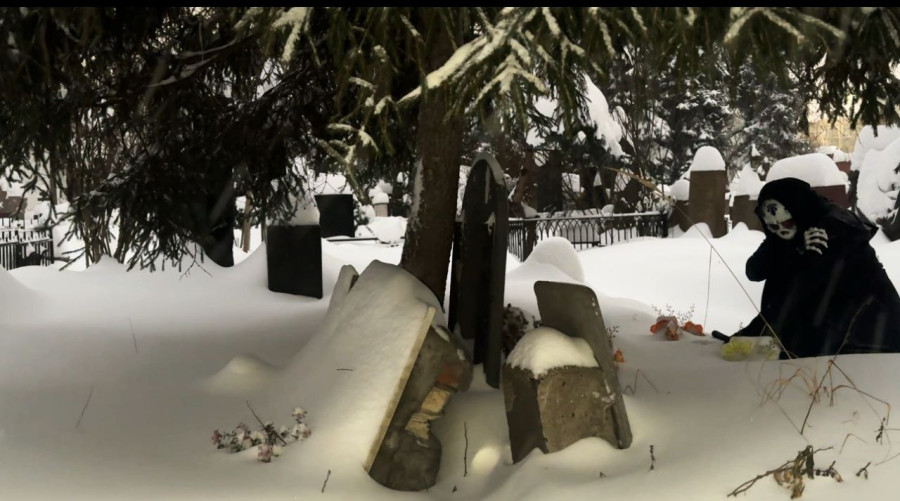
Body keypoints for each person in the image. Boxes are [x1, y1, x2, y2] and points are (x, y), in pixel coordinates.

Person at [724, 177, 900, 359]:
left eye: (787, 223)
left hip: (866, 341)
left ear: (799, 211)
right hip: (829, 336)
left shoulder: (833, 230)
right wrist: (792, 249)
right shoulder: (795, 232)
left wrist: (755, 333)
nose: (781, 230)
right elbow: (754, 271)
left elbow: (800, 291)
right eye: (773, 226)